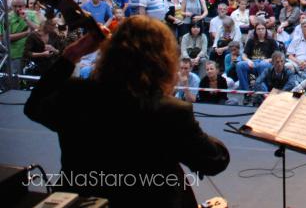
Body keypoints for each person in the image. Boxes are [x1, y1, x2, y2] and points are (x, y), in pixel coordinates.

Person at [24, 15, 229, 207]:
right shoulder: (169, 111)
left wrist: (71, 54)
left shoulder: (75, 93)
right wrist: (193, 132)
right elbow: (214, 161)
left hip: (82, 198)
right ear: (162, 61)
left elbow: (33, 107)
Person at [7, 0, 39, 74]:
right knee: (16, 79)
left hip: (31, 52)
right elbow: (8, 37)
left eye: (20, 6)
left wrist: (26, 19)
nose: (18, 8)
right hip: (15, 54)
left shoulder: (32, 14)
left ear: (24, 6)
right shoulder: (8, 17)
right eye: (15, 6)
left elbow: (38, 30)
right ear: (12, 6)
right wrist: (26, 33)